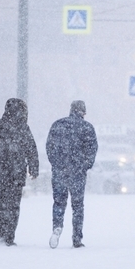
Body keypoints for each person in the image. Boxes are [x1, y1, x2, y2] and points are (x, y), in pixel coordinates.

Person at [0, 98, 39, 246]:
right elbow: (31, 149)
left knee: (1, 204)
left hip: (0, 173)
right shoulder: (23, 128)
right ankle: (9, 236)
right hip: (17, 173)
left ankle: (1, 234)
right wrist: (33, 167)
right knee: (14, 205)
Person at [46, 100, 98, 249]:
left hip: (59, 171)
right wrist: (84, 166)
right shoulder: (87, 128)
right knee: (77, 206)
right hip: (77, 173)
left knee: (59, 202)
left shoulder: (57, 125)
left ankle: (57, 226)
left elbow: (49, 146)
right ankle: (76, 238)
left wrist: (56, 164)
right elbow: (92, 149)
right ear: (83, 112)